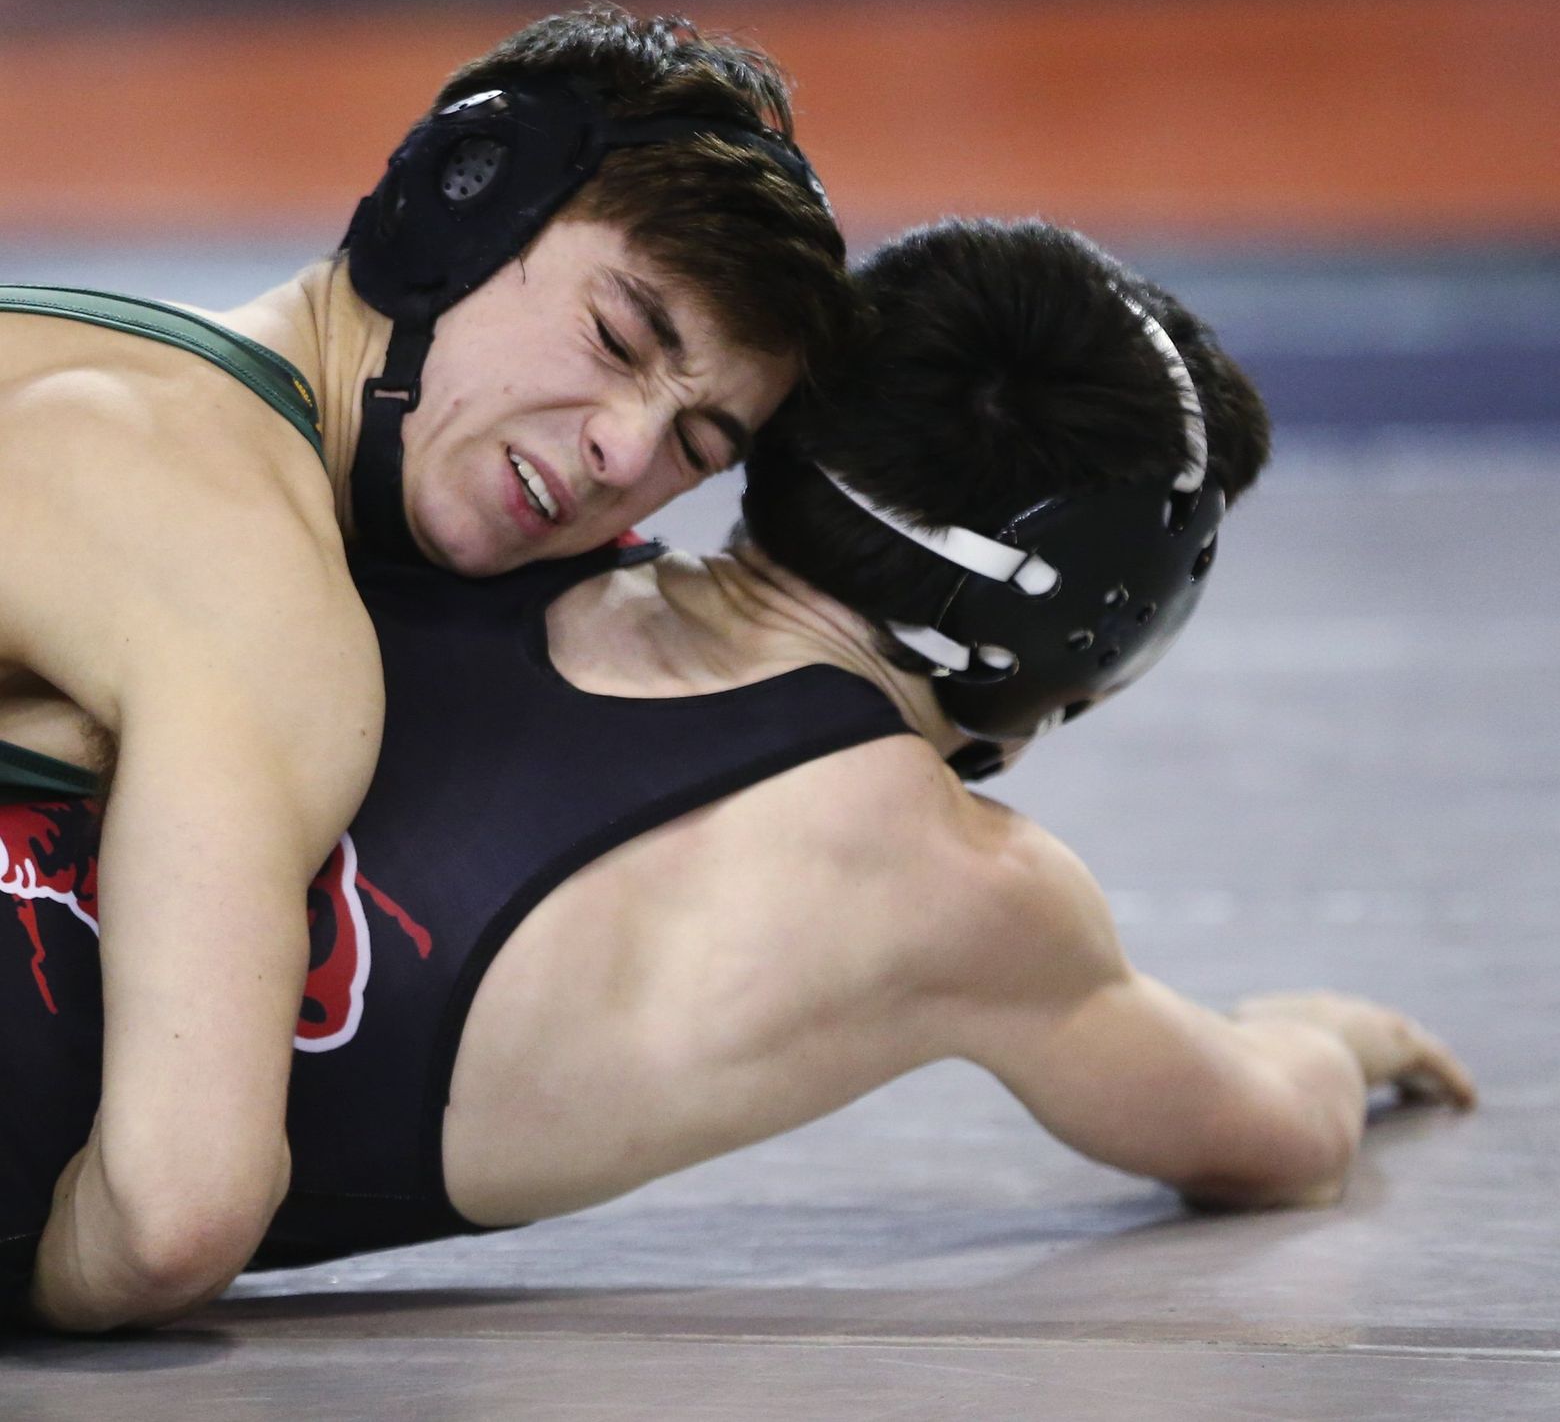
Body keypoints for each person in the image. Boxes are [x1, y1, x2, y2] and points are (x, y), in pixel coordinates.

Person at [0, 218, 1473, 1331]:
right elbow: (1272, 1138)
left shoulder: (446, 530)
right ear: (1093, 635)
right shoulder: (965, 895)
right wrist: (1330, 1036)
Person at [0, 2, 851, 1330]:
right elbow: (176, 1215)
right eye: (621, 340)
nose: (626, 453)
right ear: (452, 212)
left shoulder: (74, 345)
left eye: (697, 443)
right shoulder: (245, 574)